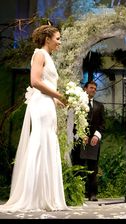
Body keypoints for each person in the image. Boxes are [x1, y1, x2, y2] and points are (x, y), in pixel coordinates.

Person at [0, 25, 69, 212]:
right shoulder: (39, 54)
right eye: (58, 38)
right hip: (40, 105)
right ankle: (33, 196)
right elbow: (35, 81)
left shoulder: (48, 57)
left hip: (47, 104)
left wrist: (56, 100)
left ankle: (45, 195)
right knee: (40, 143)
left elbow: (45, 83)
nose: (60, 42)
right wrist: (58, 95)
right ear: (47, 39)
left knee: (48, 143)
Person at [71, 80, 105, 202]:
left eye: (95, 88)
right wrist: (81, 135)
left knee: (93, 168)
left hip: (93, 141)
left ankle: (92, 194)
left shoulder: (99, 106)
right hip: (80, 140)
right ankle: (78, 193)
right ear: (85, 89)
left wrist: (96, 136)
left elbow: (102, 124)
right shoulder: (77, 104)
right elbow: (73, 123)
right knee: (78, 166)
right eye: (91, 87)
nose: (93, 90)